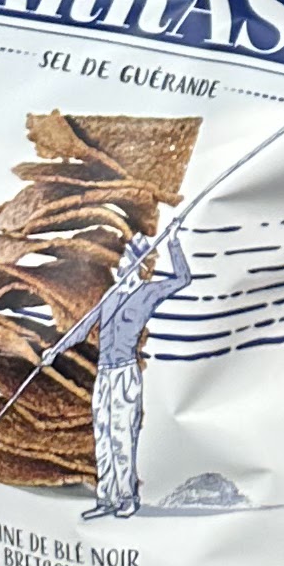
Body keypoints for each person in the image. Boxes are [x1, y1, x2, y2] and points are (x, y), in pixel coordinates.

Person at [85, 211, 196, 522]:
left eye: (127, 262)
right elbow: (86, 325)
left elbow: (183, 280)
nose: (121, 267)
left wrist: (174, 243)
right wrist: (55, 350)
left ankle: (127, 498)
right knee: (103, 433)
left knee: (121, 436)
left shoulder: (147, 294)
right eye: (121, 262)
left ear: (138, 266)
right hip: (104, 374)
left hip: (124, 373)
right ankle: (106, 497)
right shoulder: (110, 295)